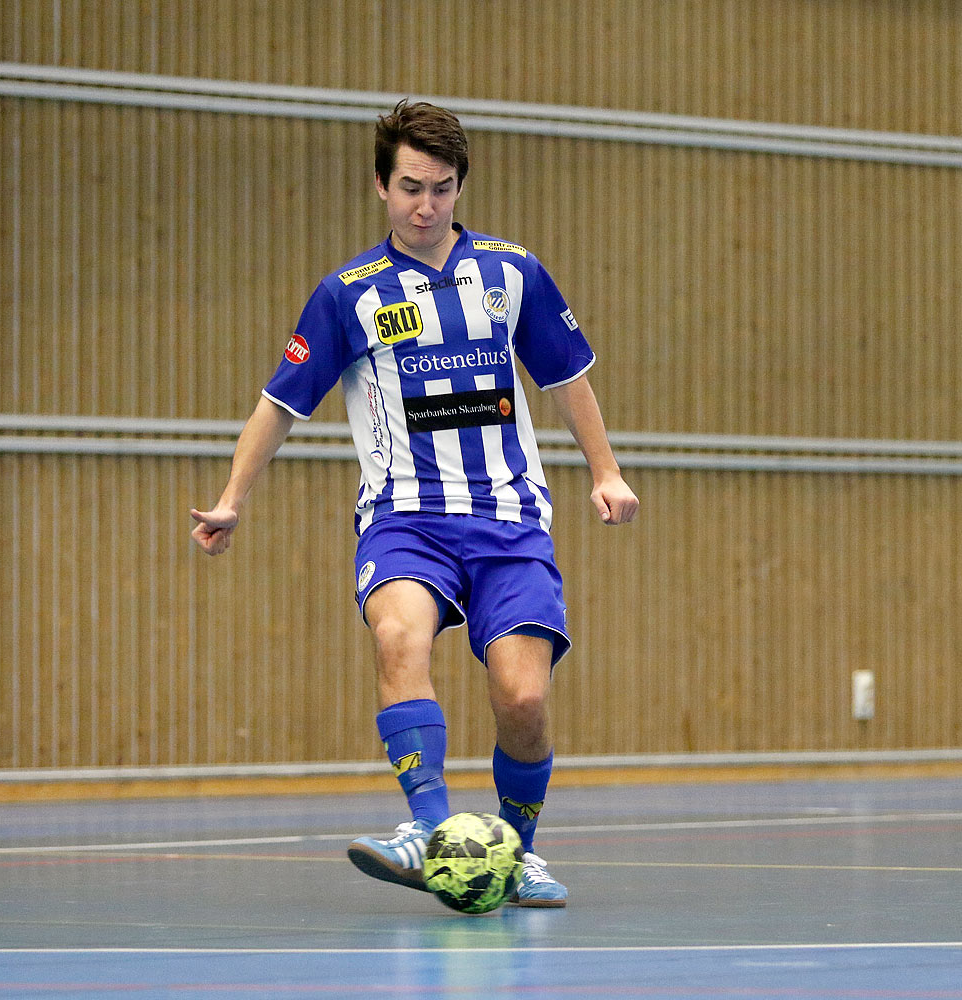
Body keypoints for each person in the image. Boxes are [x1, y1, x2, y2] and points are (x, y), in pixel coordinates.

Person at [189, 99, 638, 907]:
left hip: (507, 519)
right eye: (409, 188)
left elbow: (565, 373)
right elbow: (280, 402)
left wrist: (605, 471)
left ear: (461, 186)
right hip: (405, 519)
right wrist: (231, 500)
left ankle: (514, 850)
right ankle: (433, 832)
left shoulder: (512, 273)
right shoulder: (348, 294)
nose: (425, 207)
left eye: (440, 188)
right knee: (399, 638)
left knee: (525, 698)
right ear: (380, 187)